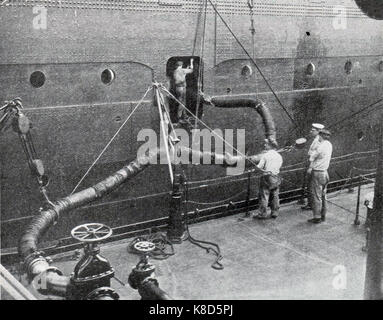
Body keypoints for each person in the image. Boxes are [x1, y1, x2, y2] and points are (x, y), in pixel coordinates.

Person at [253, 139, 283, 220]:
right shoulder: (279, 156)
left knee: (264, 196)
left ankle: (262, 214)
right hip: (276, 177)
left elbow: (259, 167)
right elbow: (279, 166)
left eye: (266, 144)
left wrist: (254, 169)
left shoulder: (265, 156)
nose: (264, 145)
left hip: (266, 178)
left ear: (270, 146)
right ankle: (275, 212)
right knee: (275, 195)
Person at [307, 129, 333, 224]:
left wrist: (310, 167)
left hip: (317, 173)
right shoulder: (329, 145)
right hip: (325, 172)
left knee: (316, 195)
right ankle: (323, 215)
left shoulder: (321, 146)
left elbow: (311, 156)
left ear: (321, 136)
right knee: (323, 195)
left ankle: (317, 217)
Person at [301, 123, 325, 210]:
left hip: (313, 165)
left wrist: (310, 167)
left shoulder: (318, 141)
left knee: (312, 186)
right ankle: (310, 203)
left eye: (313, 130)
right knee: (310, 185)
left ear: (318, 131)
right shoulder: (316, 139)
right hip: (311, 163)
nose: (310, 131)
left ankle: (312, 205)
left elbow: (315, 155)